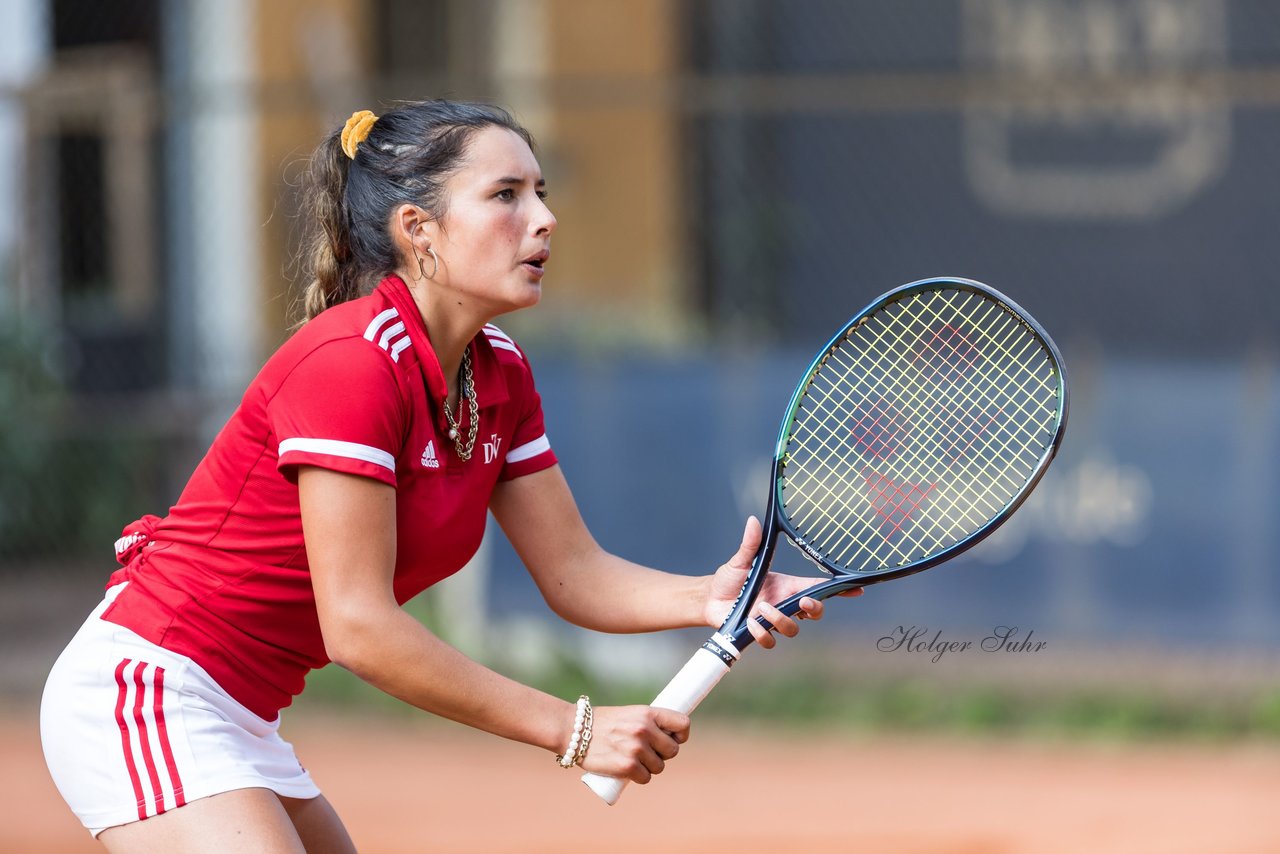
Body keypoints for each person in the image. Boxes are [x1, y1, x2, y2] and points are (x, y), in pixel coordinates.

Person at [40, 99, 852, 852]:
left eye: (540, 191)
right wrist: (576, 730)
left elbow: (575, 574)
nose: (544, 219)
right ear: (418, 229)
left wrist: (711, 597)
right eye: (506, 195)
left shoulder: (498, 373)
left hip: (242, 710)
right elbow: (358, 628)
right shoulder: (351, 365)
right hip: (147, 688)